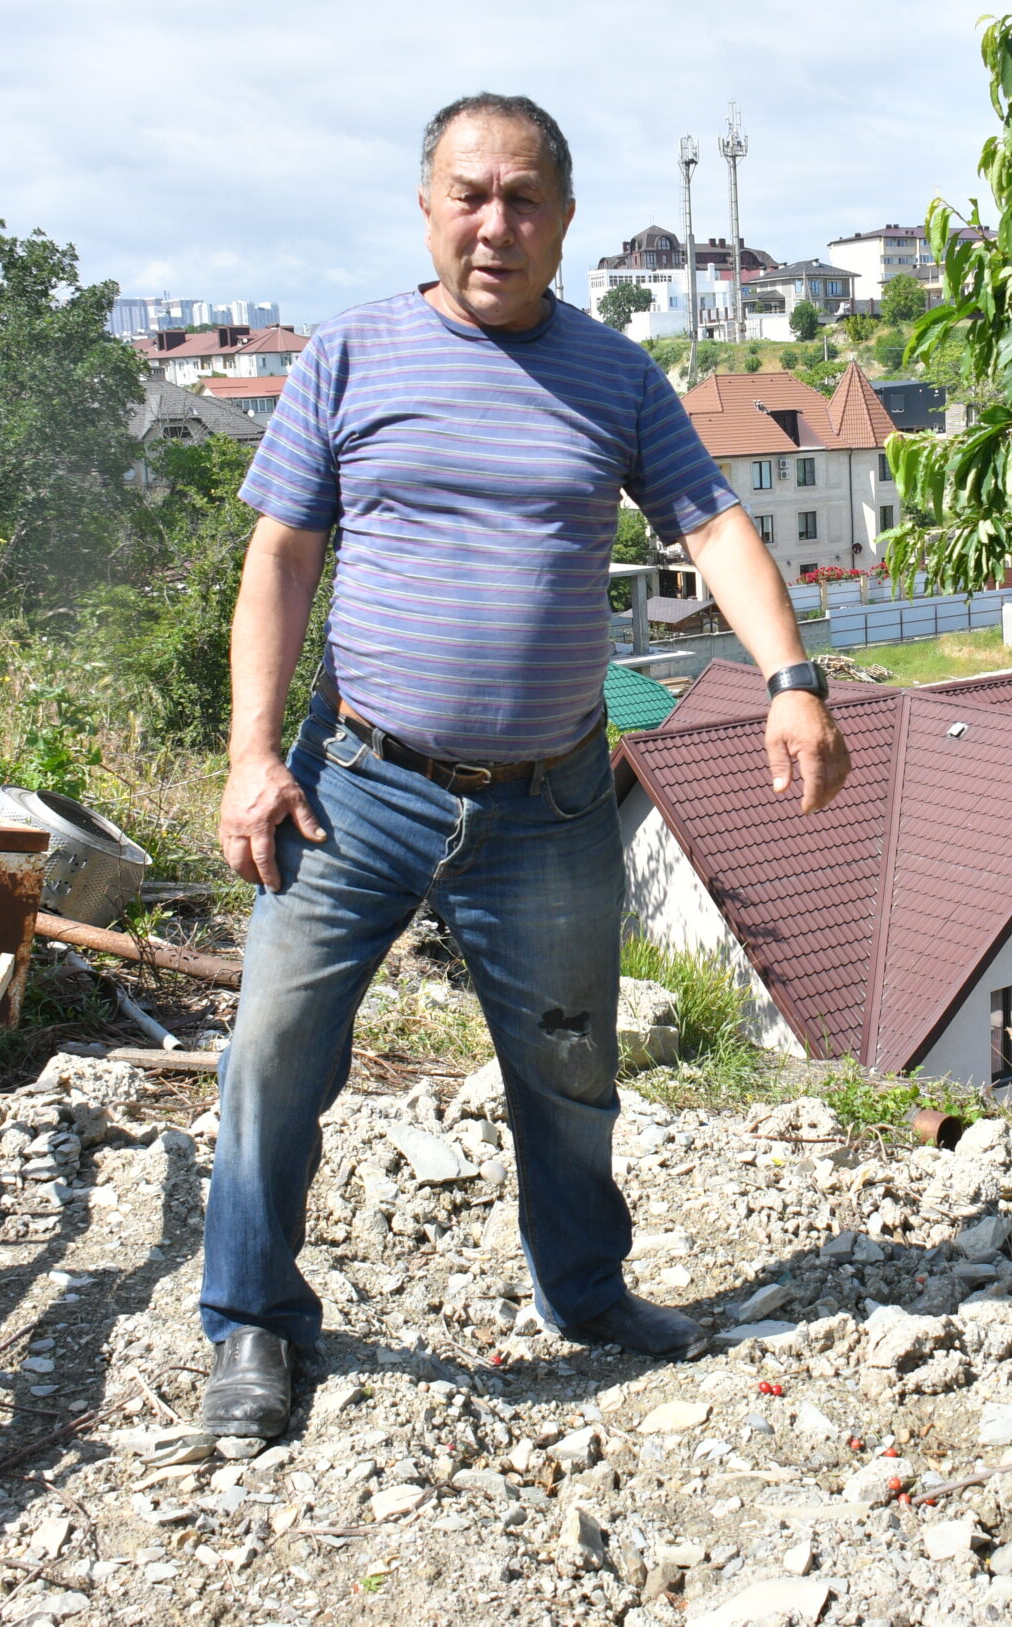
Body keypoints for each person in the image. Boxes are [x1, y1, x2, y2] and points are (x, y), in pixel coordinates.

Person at [196, 93, 851, 1437]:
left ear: (563, 219)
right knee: (272, 1052)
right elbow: (280, 560)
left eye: (525, 199)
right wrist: (251, 754)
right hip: (354, 789)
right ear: (428, 206)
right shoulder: (349, 356)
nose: (496, 224)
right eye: (470, 195)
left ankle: (587, 1291)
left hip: (550, 801)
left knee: (567, 1067)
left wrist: (793, 678)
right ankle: (254, 1325)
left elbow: (714, 526)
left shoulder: (614, 375)